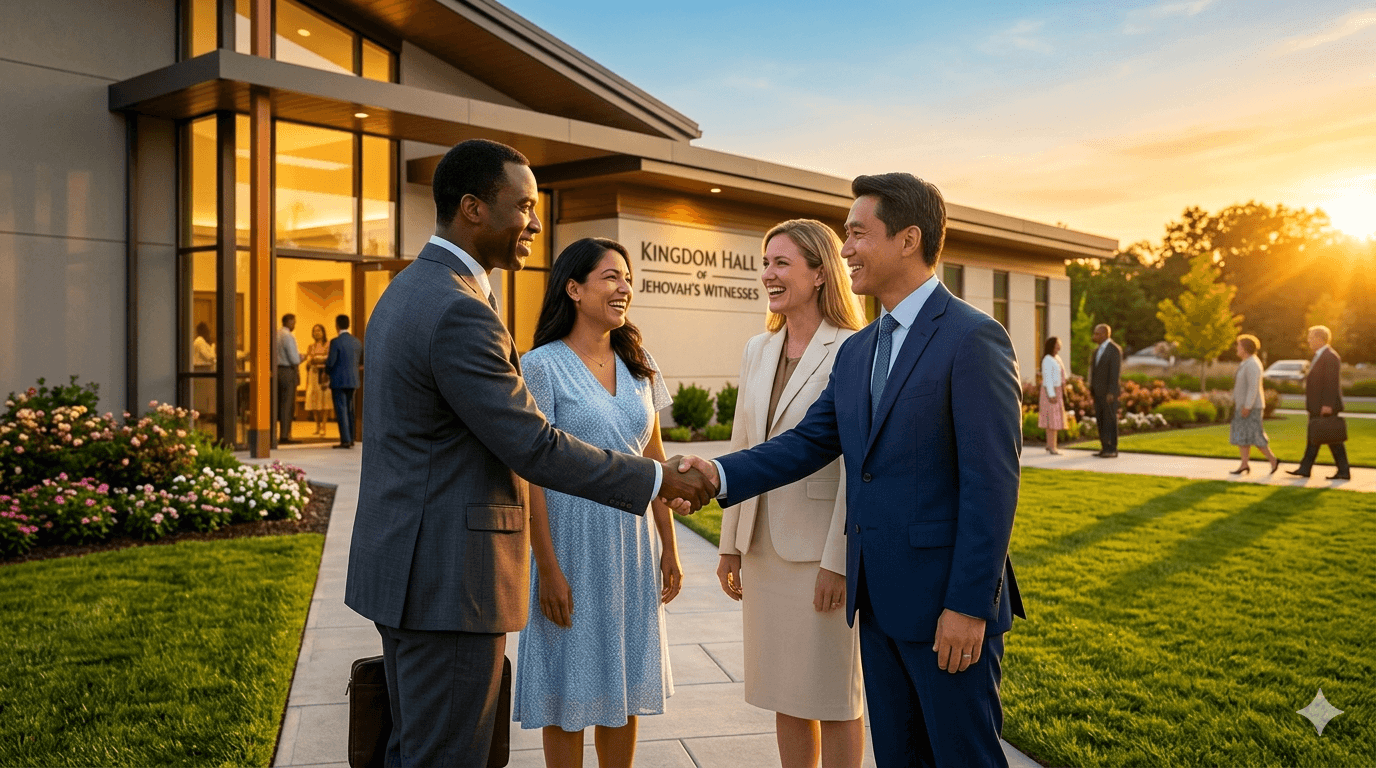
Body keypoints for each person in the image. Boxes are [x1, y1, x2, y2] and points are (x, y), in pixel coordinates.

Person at [342, 139, 714, 768]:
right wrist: (656, 479)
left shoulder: (408, 291)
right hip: (448, 582)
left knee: (417, 749)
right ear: (473, 209)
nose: (536, 224)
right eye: (524, 207)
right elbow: (534, 446)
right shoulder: (459, 309)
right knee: (446, 757)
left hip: (410, 569)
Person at [680, 173, 1025, 767]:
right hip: (880, 608)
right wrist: (715, 475)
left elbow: (992, 486)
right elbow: (807, 443)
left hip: (948, 611)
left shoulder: (973, 337)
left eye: (857, 234)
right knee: (899, 758)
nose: (844, 250)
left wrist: (968, 606)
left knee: (963, 757)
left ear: (909, 239)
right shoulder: (860, 350)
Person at [513, 238, 683, 768]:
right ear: (574, 288)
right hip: (569, 545)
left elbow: (653, 459)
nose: (624, 287)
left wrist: (670, 548)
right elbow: (530, 474)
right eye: (611, 277)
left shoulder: (639, 361)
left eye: (627, 278)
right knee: (567, 694)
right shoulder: (540, 365)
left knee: (624, 687)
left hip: (632, 549)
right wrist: (547, 567)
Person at [714, 219, 867, 768]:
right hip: (763, 552)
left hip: (819, 556)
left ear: (820, 272)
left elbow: (857, 465)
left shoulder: (854, 348)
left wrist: (840, 562)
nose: (769, 275)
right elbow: (743, 441)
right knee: (785, 693)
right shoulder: (759, 347)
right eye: (766, 262)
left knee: (834, 696)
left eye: (782, 263)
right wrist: (731, 542)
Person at [1287, 325, 1350, 481]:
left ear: (1319, 339)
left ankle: (1343, 471)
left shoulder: (1330, 357)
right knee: (1315, 438)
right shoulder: (1320, 356)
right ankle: (1305, 468)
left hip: (1325, 406)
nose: (1308, 341)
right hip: (1317, 406)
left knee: (1333, 440)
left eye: (1310, 338)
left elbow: (1331, 383)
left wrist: (1327, 405)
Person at [1229, 334, 1279, 475]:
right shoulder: (1246, 362)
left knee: (1256, 436)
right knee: (1243, 436)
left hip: (1251, 407)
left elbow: (1253, 387)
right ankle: (1244, 464)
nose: (1236, 349)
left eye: (1238, 346)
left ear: (1245, 348)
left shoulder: (1253, 364)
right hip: (1243, 406)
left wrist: (1248, 406)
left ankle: (1273, 460)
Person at [325, 314, 362, 449]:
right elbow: (361, 361)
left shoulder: (336, 342)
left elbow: (331, 362)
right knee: (350, 409)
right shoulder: (357, 342)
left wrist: (326, 372)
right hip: (353, 380)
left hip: (339, 381)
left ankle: (345, 440)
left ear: (337, 325)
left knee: (341, 410)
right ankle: (351, 438)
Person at [1088, 323, 1122, 458]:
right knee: (1101, 420)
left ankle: (1112, 448)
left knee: (1110, 420)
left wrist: (1112, 392)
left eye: (1097, 333)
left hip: (1109, 393)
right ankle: (1104, 447)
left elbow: (1115, 373)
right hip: (1098, 392)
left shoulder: (1114, 350)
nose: (1094, 336)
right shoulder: (1097, 350)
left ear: (1104, 334)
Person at [276, 313, 302, 444]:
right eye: (294, 322)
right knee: (287, 404)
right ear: (289, 322)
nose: (295, 324)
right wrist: (302, 357)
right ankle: (285, 435)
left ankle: (276, 433)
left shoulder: (276, 334)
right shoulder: (288, 336)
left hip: (277, 371)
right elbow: (294, 359)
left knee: (278, 403)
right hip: (287, 371)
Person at [1039, 336, 1067, 455]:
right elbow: (1047, 378)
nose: (1059, 347)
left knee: (1054, 418)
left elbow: (1062, 374)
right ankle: (1052, 447)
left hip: (1058, 390)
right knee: (1052, 420)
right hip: (1051, 391)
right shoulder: (1047, 360)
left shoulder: (1056, 358)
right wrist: (1051, 394)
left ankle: (1049, 444)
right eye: (1057, 344)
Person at [304, 323, 332, 436]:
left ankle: (324, 427)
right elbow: (308, 361)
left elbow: (329, 359)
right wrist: (310, 361)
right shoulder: (311, 346)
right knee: (314, 400)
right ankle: (317, 426)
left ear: (323, 332)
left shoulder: (328, 344)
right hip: (313, 376)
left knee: (324, 401)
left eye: (319, 330)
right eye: (315, 331)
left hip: (323, 375)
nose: (317, 333)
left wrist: (317, 359)